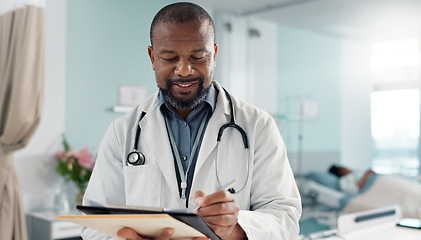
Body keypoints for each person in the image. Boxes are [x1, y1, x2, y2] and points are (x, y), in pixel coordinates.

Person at [81, 2, 301, 239]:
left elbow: (285, 217)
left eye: (198, 57)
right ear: (152, 57)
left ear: (214, 55)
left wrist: (235, 227)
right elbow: (94, 223)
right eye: (169, 58)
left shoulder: (257, 125)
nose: (184, 70)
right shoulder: (122, 131)